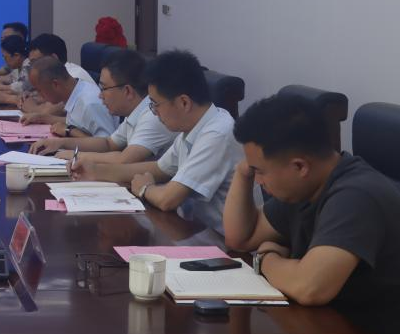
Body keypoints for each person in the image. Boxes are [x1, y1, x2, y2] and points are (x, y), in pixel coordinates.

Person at [225, 94, 400, 334]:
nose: (259, 180)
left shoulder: (356, 194)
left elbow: (310, 288)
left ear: (299, 166)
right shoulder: (308, 186)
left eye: (259, 171)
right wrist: (243, 172)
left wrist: (265, 259)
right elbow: (241, 237)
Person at [81, 50, 240, 235]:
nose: (154, 113)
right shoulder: (192, 128)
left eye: (156, 104)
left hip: (222, 243)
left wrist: (145, 188)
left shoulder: (217, 134)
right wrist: (96, 171)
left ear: (184, 103)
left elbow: (168, 199)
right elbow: (159, 168)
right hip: (193, 232)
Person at [30, 49, 176, 164]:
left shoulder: (152, 116)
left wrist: (75, 155)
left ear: (127, 91)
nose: (100, 95)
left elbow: (124, 160)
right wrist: (59, 143)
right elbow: (108, 143)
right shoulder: (134, 113)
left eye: (104, 89)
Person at [26, 55, 117, 139]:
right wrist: (42, 118)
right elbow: (79, 123)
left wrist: (69, 131)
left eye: (39, 90)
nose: (40, 95)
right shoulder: (75, 91)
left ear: (55, 84)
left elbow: (107, 144)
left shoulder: (89, 104)